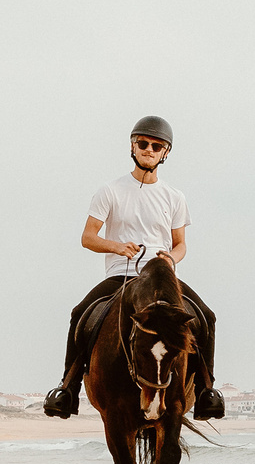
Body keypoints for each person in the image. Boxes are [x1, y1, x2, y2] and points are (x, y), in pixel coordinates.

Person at [42, 115, 225, 420]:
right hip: (121, 275)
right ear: (133, 146)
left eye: (156, 146)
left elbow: (181, 244)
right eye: (143, 143)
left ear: (165, 153)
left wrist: (171, 258)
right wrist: (117, 246)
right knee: (79, 314)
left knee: (206, 316)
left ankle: (207, 391)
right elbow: (88, 237)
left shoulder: (174, 197)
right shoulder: (110, 191)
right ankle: (68, 388)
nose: (149, 149)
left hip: (161, 277)